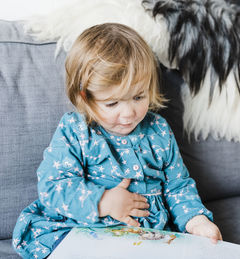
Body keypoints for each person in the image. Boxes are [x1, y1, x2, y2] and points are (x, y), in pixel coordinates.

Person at [13, 23, 222, 259]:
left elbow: (177, 185)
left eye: (139, 96)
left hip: (148, 236)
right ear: (86, 98)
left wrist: (196, 220)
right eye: (112, 103)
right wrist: (103, 201)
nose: (129, 113)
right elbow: (52, 185)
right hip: (89, 228)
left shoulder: (159, 130)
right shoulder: (77, 131)